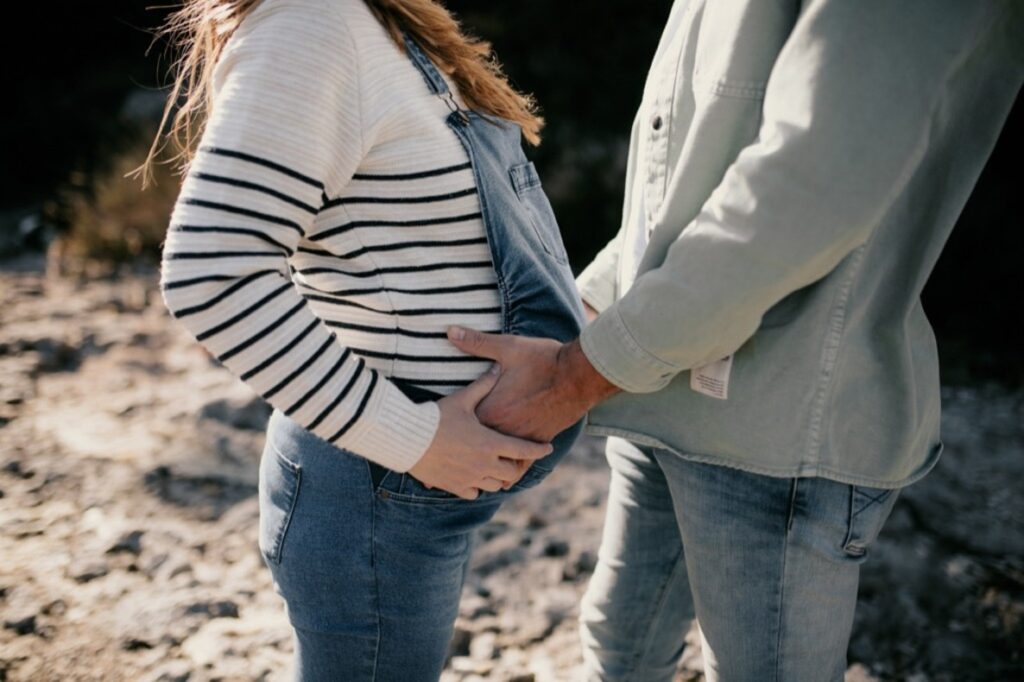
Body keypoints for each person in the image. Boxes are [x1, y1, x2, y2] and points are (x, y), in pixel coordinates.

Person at [444, 1, 1024, 680]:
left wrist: (575, 377)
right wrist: (581, 316)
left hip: (777, 422)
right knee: (619, 646)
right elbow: (678, 191)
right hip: (656, 386)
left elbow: (812, 184)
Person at [142, 0, 586, 679]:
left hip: (401, 495)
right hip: (377, 491)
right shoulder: (312, 24)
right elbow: (213, 271)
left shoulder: (376, 20)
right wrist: (417, 439)